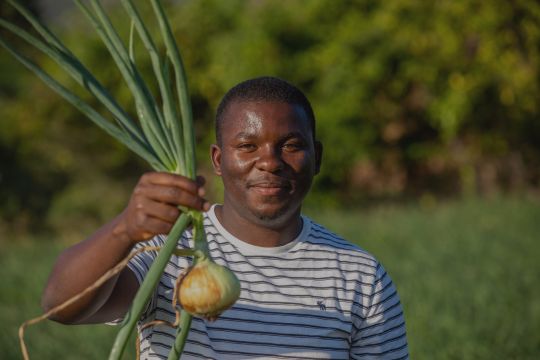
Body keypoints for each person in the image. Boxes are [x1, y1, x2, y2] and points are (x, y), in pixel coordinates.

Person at [42, 76, 409, 359]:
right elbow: (60, 307)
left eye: (292, 145)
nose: (269, 161)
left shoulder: (360, 274)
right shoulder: (169, 252)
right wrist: (125, 229)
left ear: (318, 157)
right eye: (247, 146)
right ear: (219, 160)